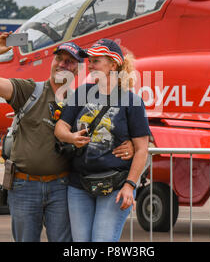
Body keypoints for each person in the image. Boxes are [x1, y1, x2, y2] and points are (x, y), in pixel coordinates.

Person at [0, 33, 134, 242]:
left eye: (70, 61)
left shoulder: (81, 100)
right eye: (59, 59)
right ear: (52, 62)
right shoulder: (29, 91)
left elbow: (108, 131)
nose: (63, 64)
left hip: (61, 188)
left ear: (79, 69)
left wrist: (131, 146)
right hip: (25, 186)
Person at [55, 38, 150, 242]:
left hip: (115, 186)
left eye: (96, 61)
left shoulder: (132, 101)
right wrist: (71, 137)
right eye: (90, 61)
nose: (90, 65)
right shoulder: (82, 92)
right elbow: (60, 127)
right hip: (79, 185)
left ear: (113, 65)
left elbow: (142, 149)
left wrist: (130, 186)